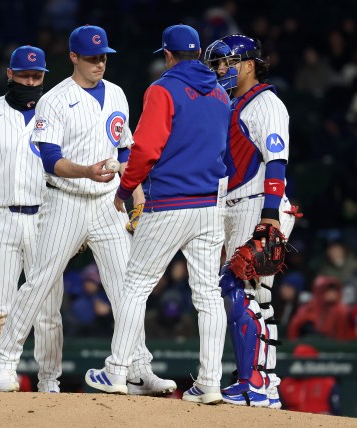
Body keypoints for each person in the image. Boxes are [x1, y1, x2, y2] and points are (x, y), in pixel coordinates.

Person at [0, 25, 175, 396]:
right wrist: (86, 170)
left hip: (110, 203)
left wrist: (134, 190)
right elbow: (49, 159)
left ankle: (138, 368)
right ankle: (4, 365)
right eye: (92, 57)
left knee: (128, 289)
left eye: (103, 56)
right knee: (40, 283)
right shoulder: (55, 100)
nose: (99, 63)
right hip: (66, 200)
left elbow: (124, 148)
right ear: (73, 57)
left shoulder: (119, 95)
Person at [84, 24, 229, 404]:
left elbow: (145, 149)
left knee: (135, 286)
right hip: (210, 204)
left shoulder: (162, 88)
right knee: (209, 295)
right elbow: (224, 151)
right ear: (197, 54)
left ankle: (116, 372)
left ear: (167, 55)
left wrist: (125, 188)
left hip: (169, 204)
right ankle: (211, 383)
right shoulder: (219, 92)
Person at [204, 34, 300, 407]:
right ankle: (266, 384)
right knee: (259, 297)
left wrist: (270, 218)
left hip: (260, 203)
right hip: (238, 203)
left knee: (235, 285)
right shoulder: (232, 102)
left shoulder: (266, 103)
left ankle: (252, 381)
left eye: (225, 63)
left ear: (248, 64)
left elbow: (277, 160)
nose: (219, 70)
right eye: (216, 65)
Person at [0, 45, 64, 392]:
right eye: (24, 75)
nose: (31, 81)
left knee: (49, 307)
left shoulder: (59, 110)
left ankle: (49, 379)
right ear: (9, 74)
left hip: (47, 218)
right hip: (1, 215)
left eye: (37, 76)